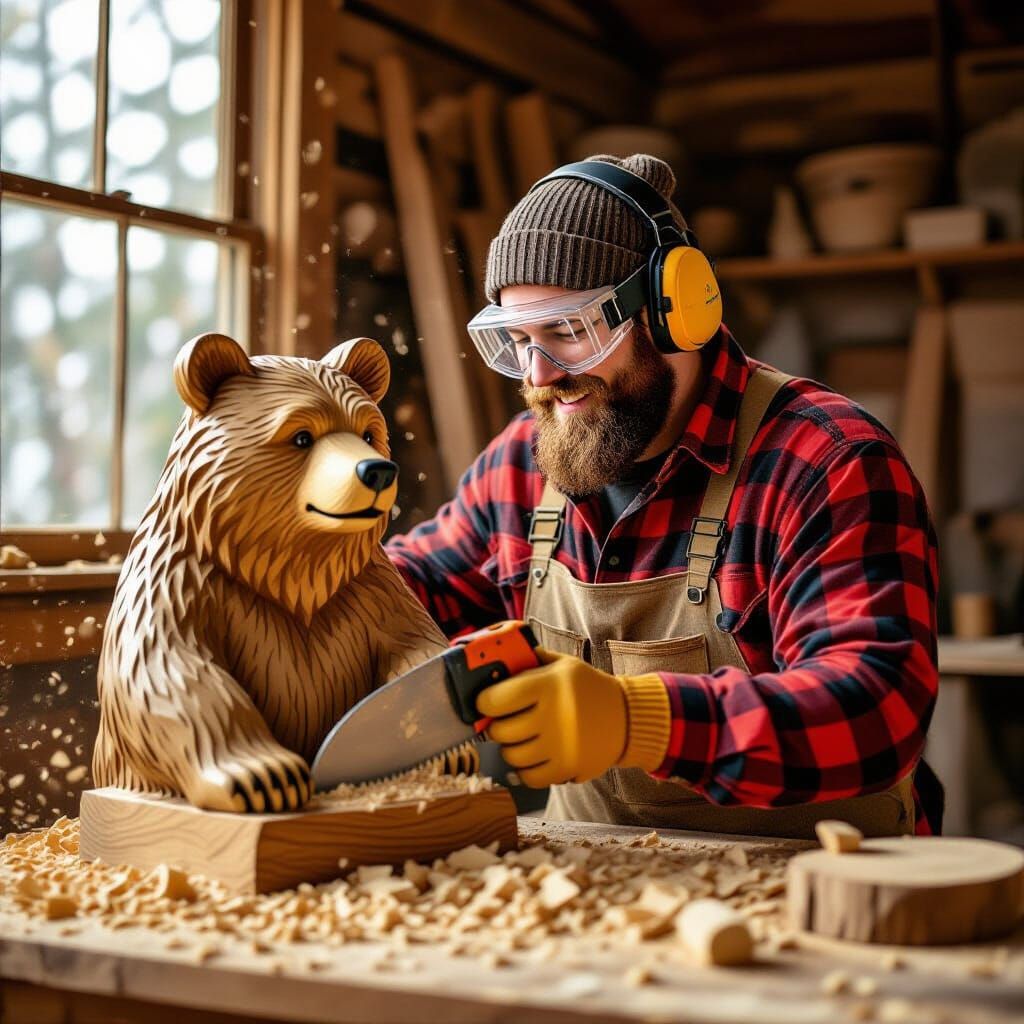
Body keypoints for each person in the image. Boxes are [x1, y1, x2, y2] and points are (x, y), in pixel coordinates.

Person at [386, 153, 942, 837]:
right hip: (603, 889)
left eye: (569, 331)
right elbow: (403, 592)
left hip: (818, 889)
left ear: (675, 310)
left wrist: (635, 721)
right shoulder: (522, 466)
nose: (539, 376)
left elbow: (877, 709)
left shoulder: (826, 460)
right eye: (515, 340)